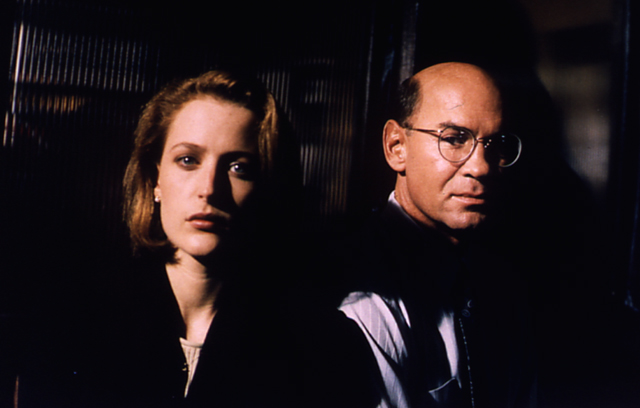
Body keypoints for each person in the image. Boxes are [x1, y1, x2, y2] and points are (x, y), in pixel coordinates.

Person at [336, 62, 536, 408]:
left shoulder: (502, 287)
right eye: (455, 139)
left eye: (495, 144)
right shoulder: (363, 300)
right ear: (396, 146)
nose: (481, 167)